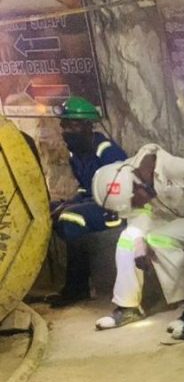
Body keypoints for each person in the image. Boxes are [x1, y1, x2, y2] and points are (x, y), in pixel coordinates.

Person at [91, 144, 184, 340]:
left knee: (157, 240)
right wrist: (139, 243)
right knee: (129, 240)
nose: (139, 204)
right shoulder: (128, 176)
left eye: (136, 200)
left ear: (138, 185)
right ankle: (129, 307)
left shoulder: (170, 167)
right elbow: (140, 215)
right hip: (172, 218)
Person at [46, 96, 126, 307]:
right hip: (94, 203)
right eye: (64, 125)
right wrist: (69, 202)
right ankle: (75, 284)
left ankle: (78, 288)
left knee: (71, 219)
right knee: (53, 211)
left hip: (114, 211)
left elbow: (120, 189)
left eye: (72, 125)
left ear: (86, 125)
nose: (66, 131)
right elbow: (85, 187)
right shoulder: (77, 153)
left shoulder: (106, 150)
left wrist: (74, 207)